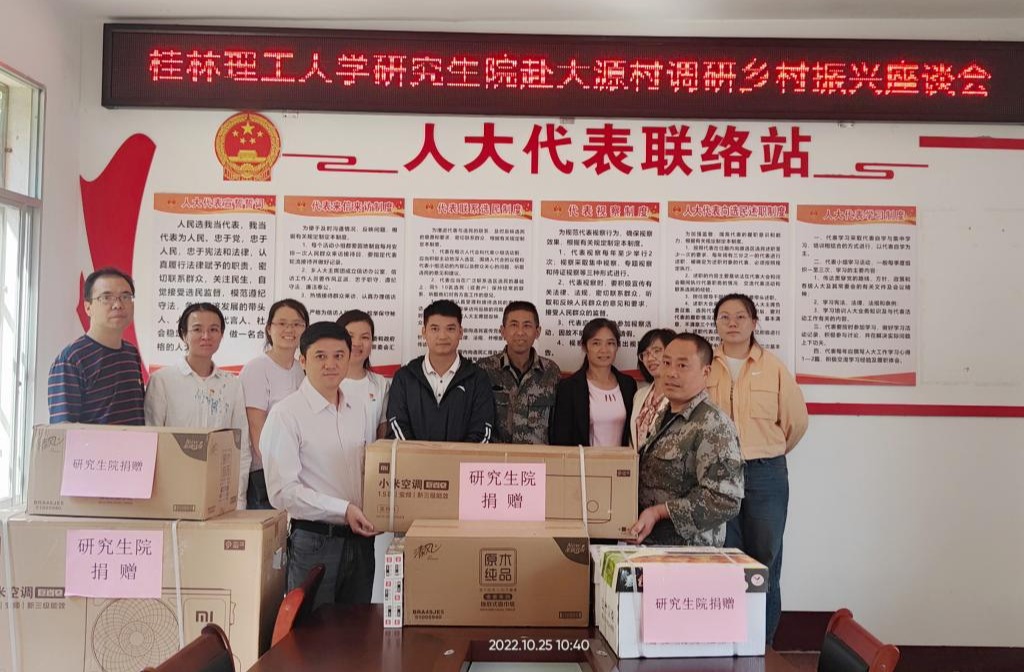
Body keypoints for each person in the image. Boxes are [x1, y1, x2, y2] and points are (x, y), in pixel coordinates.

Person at [708, 293, 808, 645]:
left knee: (765, 558)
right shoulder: (705, 365)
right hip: (718, 473)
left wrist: (765, 450)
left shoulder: (774, 368)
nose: (732, 323)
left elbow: (796, 422)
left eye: (740, 316)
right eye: (724, 316)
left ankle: (762, 645)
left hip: (766, 473)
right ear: (716, 323)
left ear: (754, 322)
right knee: (725, 557)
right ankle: (727, 640)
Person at [261, 322, 376, 608]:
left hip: (360, 543)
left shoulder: (357, 408)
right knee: (310, 631)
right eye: (320, 356)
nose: (331, 364)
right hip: (315, 542)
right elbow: (283, 493)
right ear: (303, 361)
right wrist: (343, 509)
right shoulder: (286, 414)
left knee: (356, 628)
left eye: (339, 355)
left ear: (349, 358)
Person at [629, 333, 744, 547]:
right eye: (666, 363)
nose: (671, 373)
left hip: (688, 552)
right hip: (655, 546)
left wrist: (660, 512)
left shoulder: (713, 424)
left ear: (705, 372)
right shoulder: (666, 414)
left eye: (682, 366)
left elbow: (725, 500)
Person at [144, 302, 250, 507]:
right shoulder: (163, 381)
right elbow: (151, 439)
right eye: (197, 329)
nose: (206, 336)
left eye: (213, 329)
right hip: (173, 489)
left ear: (221, 335)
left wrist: (238, 499)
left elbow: (241, 445)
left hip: (218, 491)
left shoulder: (232, 384)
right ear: (184, 334)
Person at [386, 300, 495, 442]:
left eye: (450, 329)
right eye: (435, 329)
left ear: (460, 332)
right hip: (413, 457)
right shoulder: (405, 378)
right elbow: (397, 427)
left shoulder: (478, 378)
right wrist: (419, 455)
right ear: (424, 332)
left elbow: (481, 432)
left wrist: (451, 457)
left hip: (463, 458)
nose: (442, 336)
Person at [48, 267, 145, 425]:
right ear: (88, 307)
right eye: (106, 297)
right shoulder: (71, 360)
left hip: (137, 442)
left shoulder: (131, 353)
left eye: (125, 297)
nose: (118, 304)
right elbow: (63, 430)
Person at [239, 299, 309, 509]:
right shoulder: (257, 368)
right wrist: (281, 472)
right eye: (282, 323)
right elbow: (257, 430)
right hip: (266, 474)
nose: (290, 329)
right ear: (269, 328)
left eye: (297, 324)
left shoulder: (302, 370)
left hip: (297, 474)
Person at [477, 301, 561, 444]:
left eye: (527, 326)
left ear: (537, 332)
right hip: (496, 456)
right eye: (514, 325)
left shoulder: (551, 371)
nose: (520, 332)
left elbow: (557, 423)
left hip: (538, 456)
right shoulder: (485, 369)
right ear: (502, 331)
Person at [549, 318, 637, 447]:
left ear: (617, 346)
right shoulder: (569, 387)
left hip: (623, 459)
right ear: (585, 347)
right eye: (596, 343)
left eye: (610, 343)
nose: (604, 350)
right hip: (583, 459)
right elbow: (561, 438)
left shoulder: (628, 384)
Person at [337, 309, 390, 444]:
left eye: (365, 337)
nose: (357, 343)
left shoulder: (380, 383)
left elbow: (382, 432)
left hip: (369, 456)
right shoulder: (325, 380)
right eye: (350, 336)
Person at [630, 328, 675, 450]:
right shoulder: (639, 395)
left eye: (656, 351)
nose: (650, 358)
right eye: (645, 354)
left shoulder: (681, 395)